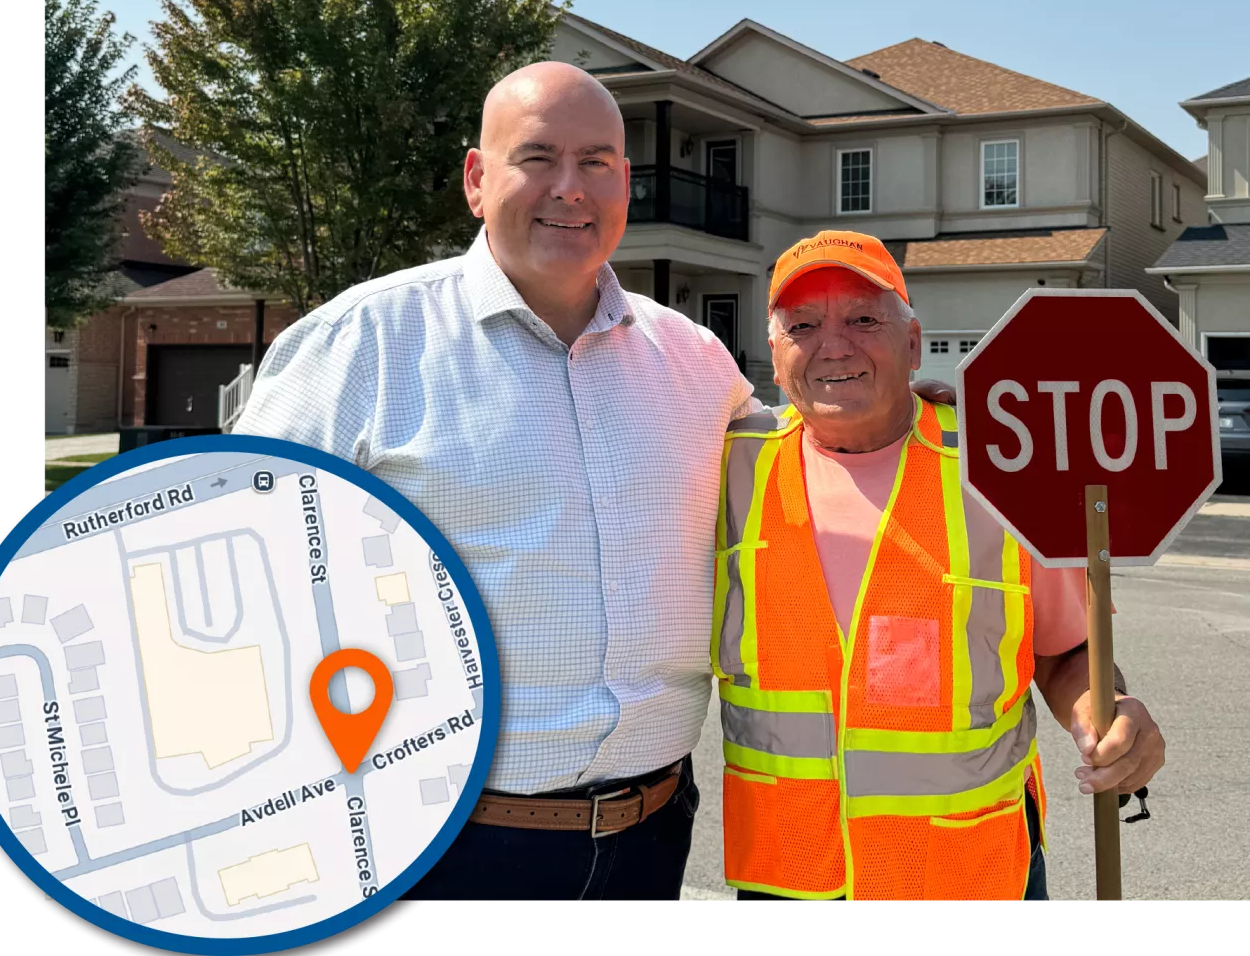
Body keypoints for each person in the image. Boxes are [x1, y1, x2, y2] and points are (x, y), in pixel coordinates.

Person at [234, 62, 948, 901]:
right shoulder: (362, 346)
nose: (569, 189)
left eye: (597, 162)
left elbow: (805, 448)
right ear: (477, 178)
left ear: (626, 184)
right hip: (435, 848)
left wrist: (904, 406)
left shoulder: (691, 358)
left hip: (650, 839)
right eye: (538, 158)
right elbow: (239, 576)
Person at [709, 230, 1167, 901]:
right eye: (803, 325)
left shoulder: (1004, 468)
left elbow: (1069, 651)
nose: (834, 345)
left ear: (915, 343)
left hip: (969, 875)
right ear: (774, 359)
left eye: (864, 318)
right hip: (788, 876)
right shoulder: (724, 471)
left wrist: (1108, 712)